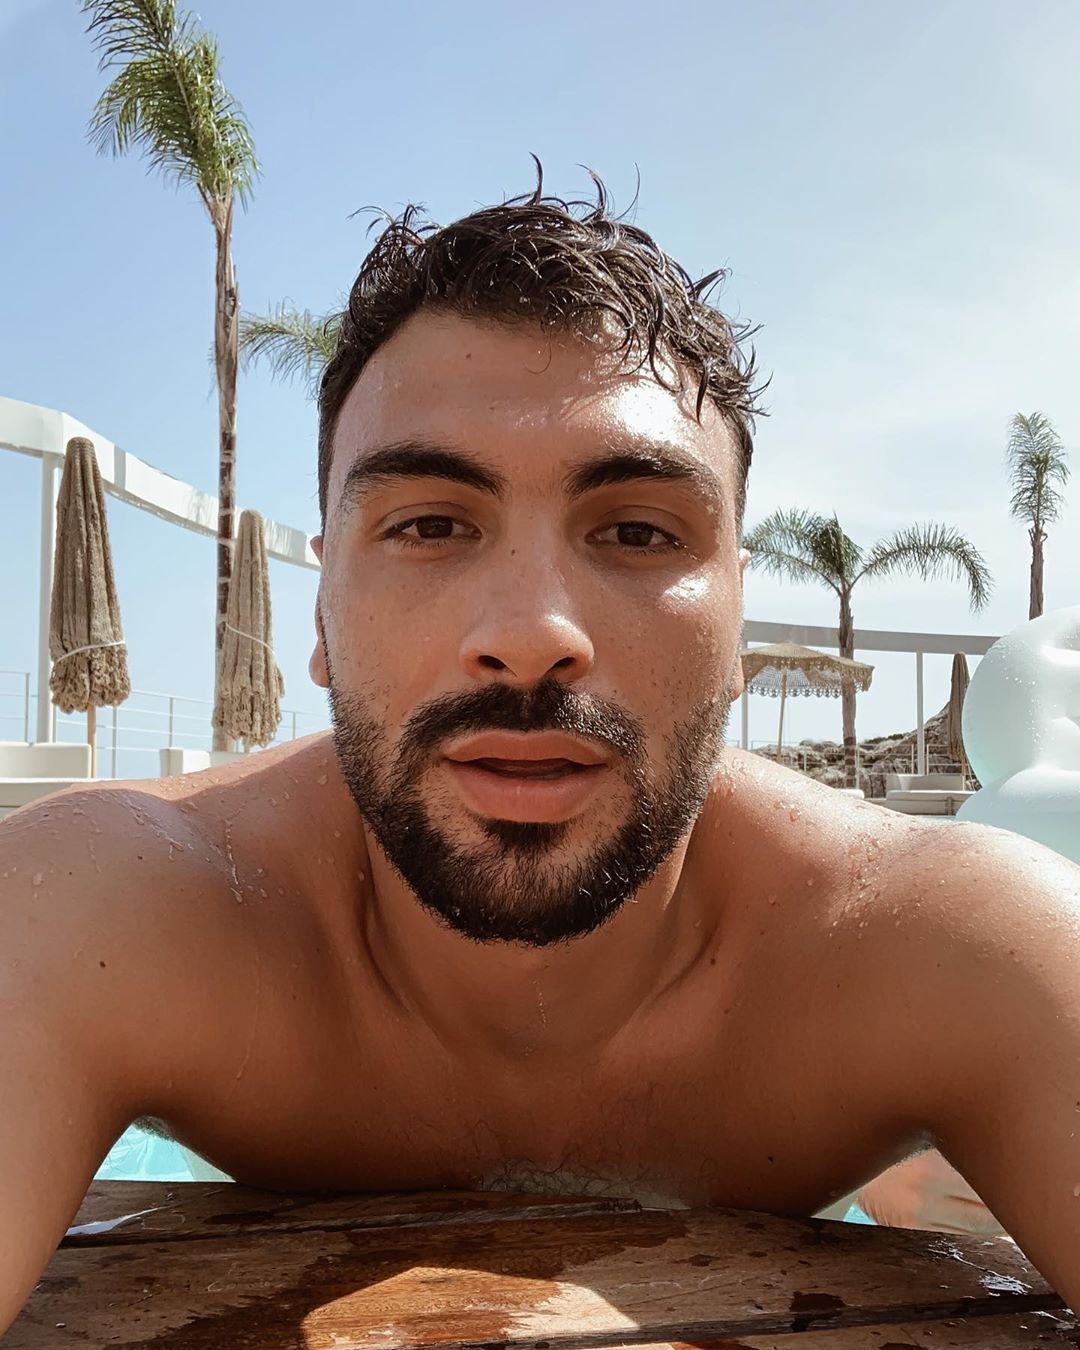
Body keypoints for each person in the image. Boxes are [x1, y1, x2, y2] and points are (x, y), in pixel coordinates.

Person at [2, 174, 1079, 1331]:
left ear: (737, 629)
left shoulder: (940, 953)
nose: (529, 634)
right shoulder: (112, 916)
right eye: (430, 525)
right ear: (319, 611)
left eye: (637, 532)